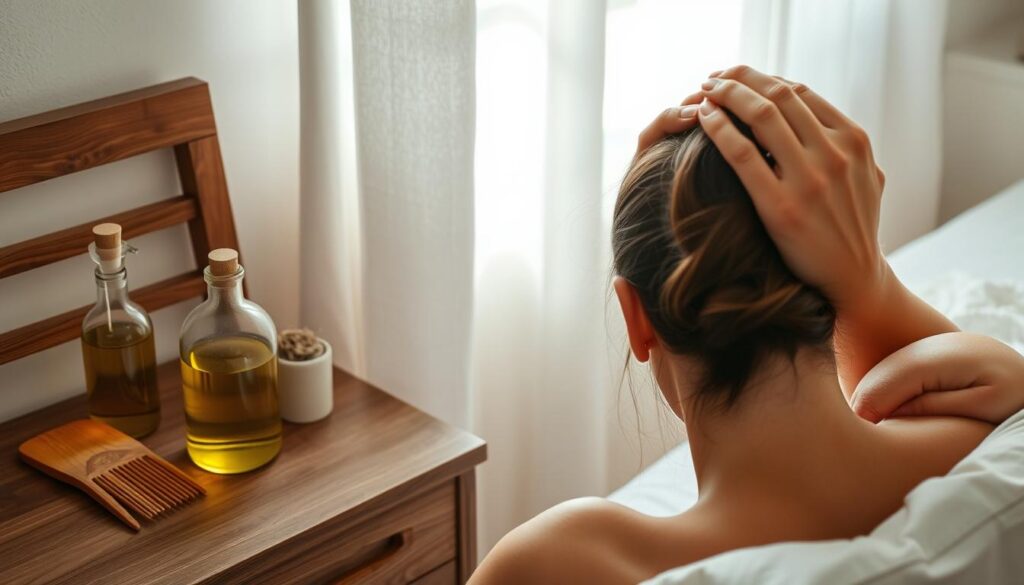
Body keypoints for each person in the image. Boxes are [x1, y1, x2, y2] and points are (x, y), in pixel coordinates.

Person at [469, 65, 1024, 585]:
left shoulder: (566, 562)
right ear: (836, 275)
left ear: (637, 318)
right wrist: (870, 281)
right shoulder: (990, 432)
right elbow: (918, 370)